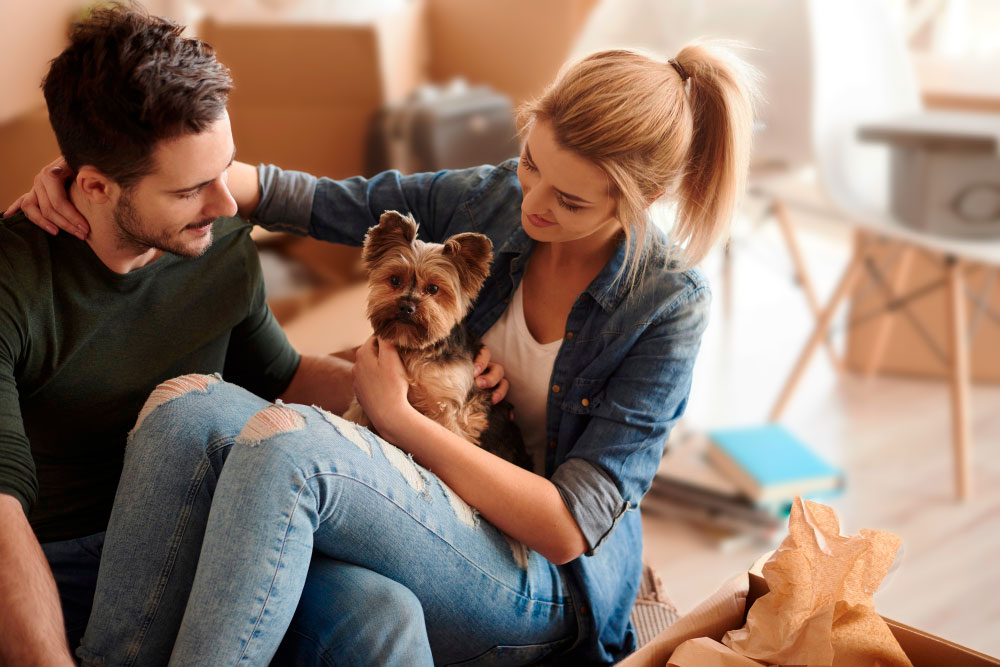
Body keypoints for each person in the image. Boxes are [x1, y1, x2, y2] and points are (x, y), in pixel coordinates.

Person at [15, 42, 756, 664]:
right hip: (419, 493)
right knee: (187, 404)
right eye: (531, 162)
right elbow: (312, 200)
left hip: (534, 575)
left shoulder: (666, 306)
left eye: (571, 201)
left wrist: (401, 419)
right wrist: (97, 181)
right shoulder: (496, 197)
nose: (533, 203)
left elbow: (568, 525)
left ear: (638, 199)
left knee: (289, 449)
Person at [0, 5, 505, 665]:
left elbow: (283, 375)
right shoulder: (16, 279)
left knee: (382, 613)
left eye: (227, 170)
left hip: (205, 524)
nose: (229, 203)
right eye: (191, 189)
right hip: (59, 557)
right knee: (196, 415)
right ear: (93, 185)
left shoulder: (221, 240)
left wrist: (430, 383)